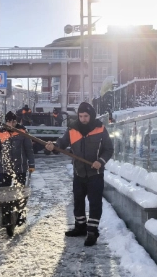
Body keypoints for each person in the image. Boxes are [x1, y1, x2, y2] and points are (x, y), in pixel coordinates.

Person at [45, 102, 113, 246]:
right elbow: (61, 143)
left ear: (91, 115)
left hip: (95, 173)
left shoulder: (100, 129)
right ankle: (80, 227)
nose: (83, 119)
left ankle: (92, 231)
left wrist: (100, 161)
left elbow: (109, 149)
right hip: (79, 172)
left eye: (86, 116)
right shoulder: (72, 129)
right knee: (78, 201)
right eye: (81, 116)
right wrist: (54, 146)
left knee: (95, 203)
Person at [0, 111, 36, 225]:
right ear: (6, 122)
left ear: (17, 121)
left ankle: (20, 214)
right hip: (5, 168)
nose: (12, 123)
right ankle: (5, 216)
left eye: (14, 121)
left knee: (20, 192)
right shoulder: (1, 133)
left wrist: (31, 164)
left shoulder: (22, 132)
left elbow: (29, 149)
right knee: (4, 193)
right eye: (9, 121)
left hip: (20, 167)